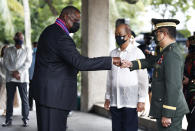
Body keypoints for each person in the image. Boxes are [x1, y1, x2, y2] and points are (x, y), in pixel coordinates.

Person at [31, 6, 121, 131]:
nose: (77, 24)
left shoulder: (50, 30)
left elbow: (57, 62)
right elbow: (80, 63)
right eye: (76, 20)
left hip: (48, 94)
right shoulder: (60, 36)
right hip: (53, 97)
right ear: (66, 17)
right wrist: (111, 61)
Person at [121, 19, 189, 131]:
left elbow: (173, 86)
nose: (155, 36)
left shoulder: (172, 54)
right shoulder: (166, 52)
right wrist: (131, 64)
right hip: (165, 108)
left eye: (157, 33)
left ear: (164, 34)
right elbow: (152, 61)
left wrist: (168, 113)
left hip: (171, 110)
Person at [104, 23, 148, 131]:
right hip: (115, 101)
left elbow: (143, 79)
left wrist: (142, 100)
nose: (117, 36)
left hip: (130, 102)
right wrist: (107, 97)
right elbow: (110, 78)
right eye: (115, 34)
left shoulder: (137, 53)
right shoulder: (112, 53)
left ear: (128, 36)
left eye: (120, 34)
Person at [2, 32, 32, 127]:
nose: (20, 39)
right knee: (9, 99)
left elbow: (28, 63)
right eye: (18, 38)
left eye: (21, 38)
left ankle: (25, 119)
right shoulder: (8, 50)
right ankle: (8, 119)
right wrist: (13, 73)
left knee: (24, 99)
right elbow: (5, 62)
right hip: (10, 78)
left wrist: (18, 72)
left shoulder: (27, 49)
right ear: (14, 38)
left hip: (22, 78)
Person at [183, 35, 195, 131]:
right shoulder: (189, 56)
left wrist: (190, 79)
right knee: (189, 117)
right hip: (188, 92)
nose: (186, 44)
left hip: (192, 92)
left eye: (188, 42)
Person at [28, 42, 38, 111]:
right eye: (34, 46)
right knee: (30, 92)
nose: (34, 47)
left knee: (37, 93)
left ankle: (37, 106)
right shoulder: (30, 55)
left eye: (36, 46)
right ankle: (30, 106)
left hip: (37, 77)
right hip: (31, 77)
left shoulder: (40, 55)